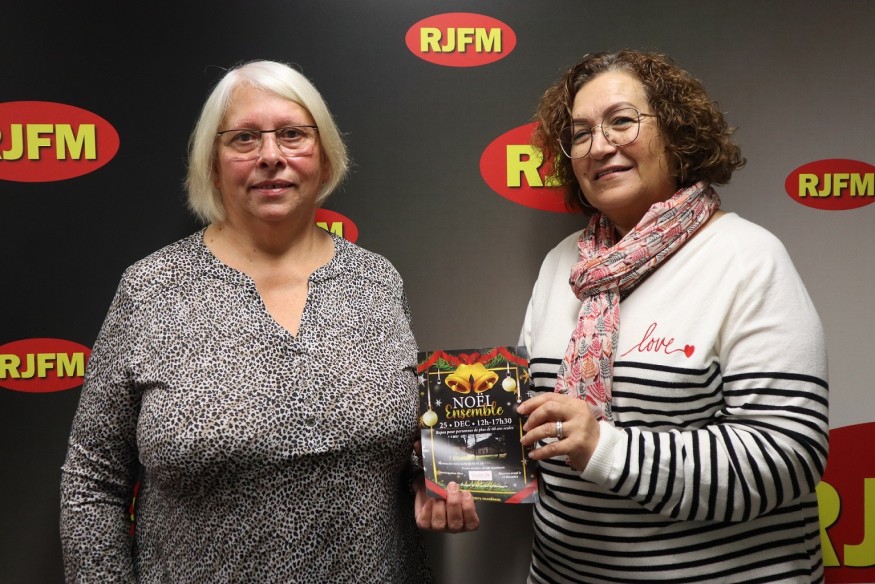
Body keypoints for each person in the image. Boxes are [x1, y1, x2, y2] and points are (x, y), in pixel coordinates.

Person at [60, 59, 471, 583]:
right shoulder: (151, 288)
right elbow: (93, 482)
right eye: (244, 138)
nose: (271, 156)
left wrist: (426, 478)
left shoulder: (376, 281)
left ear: (324, 157)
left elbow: (389, 444)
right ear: (213, 164)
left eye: (293, 135)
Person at [517, 50, 829, 583]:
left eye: (621, 121)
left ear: (677, 133)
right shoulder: (561, 264)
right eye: (581, 133)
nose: (600, 146)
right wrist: (453, 465)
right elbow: (535, 424)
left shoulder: (747, 258)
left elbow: (789, 455)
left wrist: (606, 448)